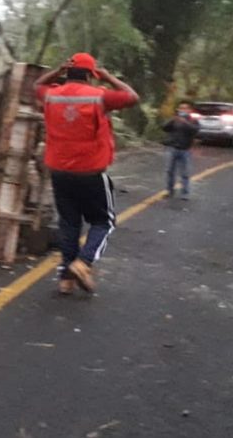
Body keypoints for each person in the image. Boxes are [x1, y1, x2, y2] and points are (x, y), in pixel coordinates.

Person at [34, 53, 140, 295]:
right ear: (91, 76)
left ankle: (65, 280)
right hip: (90, 172)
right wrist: (107, 76)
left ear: (67, 73)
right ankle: (84, 263)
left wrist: (56, 72)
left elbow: (36, 85)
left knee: (69, 223)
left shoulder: (51, 94)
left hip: (60, 172)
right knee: (104, 221)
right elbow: (132, 96)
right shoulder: (99, 96)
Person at [162, 101, 199, 199]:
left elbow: (195, 130)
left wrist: (185, 122)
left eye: (185, 108)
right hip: (172, 148)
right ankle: (170, 191)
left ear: (189, 110)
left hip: (185, 150)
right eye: (181, 108)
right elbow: (165, 128)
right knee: (170, 171)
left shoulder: (192, 120)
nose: (183, 110)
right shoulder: (175, 120)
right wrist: (173, 120)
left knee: (185, 172)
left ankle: (185, 193)